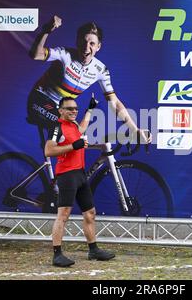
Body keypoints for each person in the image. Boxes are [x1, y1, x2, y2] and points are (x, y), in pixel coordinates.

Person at [28, 15, 151, 145]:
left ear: (98, 47)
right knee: (71, 135)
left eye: (92, 43)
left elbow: (114, 103)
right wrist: (46, 30)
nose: (87, 47)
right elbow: (35, 54)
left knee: (81, 137)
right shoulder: (65, 54)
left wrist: (134, 129)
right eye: (83, 42)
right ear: (77, 42)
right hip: (40, 100)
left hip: (61, 109)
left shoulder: (100, 70)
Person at [45, 96, 115, 267]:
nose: (73, 111)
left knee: (90, 213)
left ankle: (93, 250)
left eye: (75, 108)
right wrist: (72, 146)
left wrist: (89, 110)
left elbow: (81, 128)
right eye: (69, 109)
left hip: (80, 174)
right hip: (67, 176)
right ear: (60, 110)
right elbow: (48, 150)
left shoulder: (74, 124)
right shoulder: (57, 126)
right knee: (63, 215)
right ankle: (57, 254)